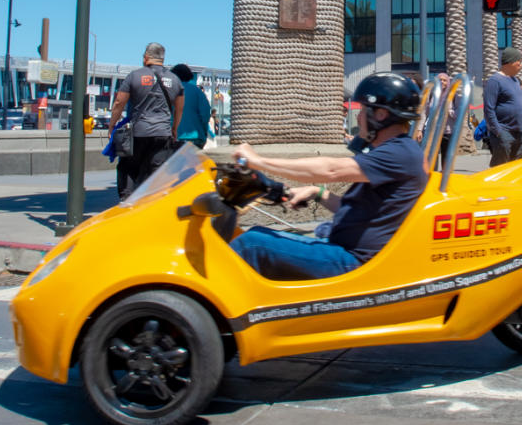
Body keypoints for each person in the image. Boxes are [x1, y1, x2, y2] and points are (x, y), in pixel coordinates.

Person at [230, 73, 426, 281]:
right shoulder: (393, 151)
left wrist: (258, 161)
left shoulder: (400, 153)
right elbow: (357, 209)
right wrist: (318, 193)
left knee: (252, 243)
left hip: (352, 260)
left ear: (380, 115)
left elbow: (330, 170)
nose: (358, 118)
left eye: (362, 110)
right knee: (258, 235)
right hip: (346, 249)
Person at [109, 43, 183, 200]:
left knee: (128, 167)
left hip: (138, 132)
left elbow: (118, 103)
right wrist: (174, 129)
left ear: (146, 57)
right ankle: (151, 203)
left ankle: (126, 201)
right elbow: (179, 108)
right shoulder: (175, 80)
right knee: (156, 171)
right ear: (162, 58)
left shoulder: (134, 76)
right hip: (163, 133)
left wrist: (112, 125)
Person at [483, 49, 522, 166]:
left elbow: (518, 104)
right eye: (519, 62)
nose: (521, 66)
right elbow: (488, 109)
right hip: (504, 133)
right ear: (510, 62)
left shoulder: (515, 80)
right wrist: (498, 131)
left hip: (519, 132)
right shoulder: (495, 81)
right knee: (501, 168)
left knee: (515, 169)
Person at [171, 65, 212, 148]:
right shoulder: (197, 91)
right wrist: (203, 130)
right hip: (195, 137)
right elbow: (205, 113)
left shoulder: (170, 90)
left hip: (173, 137)